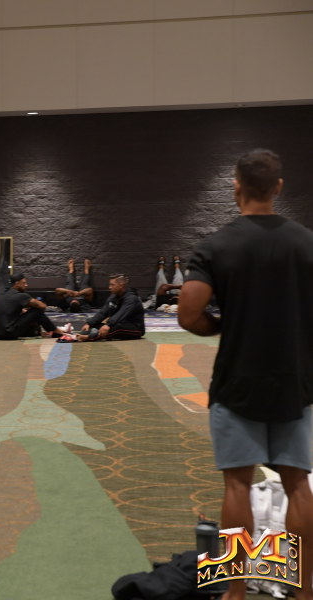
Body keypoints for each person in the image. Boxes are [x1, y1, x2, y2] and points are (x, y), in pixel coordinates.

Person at [178, 149, 313, 600]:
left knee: (237, 485)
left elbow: (188, 314)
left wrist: (224, 325)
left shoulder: (215, 246)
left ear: (235, 187)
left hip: (237, 382)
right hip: (296, 383)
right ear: (279, 187)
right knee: (298, 484)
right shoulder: (307, 242)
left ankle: (235, 592)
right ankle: (304, 590)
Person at [0, 273, 71, 340]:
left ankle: (38, 332)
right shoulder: (21, 296)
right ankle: (56, 331)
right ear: (17, 283)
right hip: (8, 334)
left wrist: (22, 311)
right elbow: (42, 306)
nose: (26, 285)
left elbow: (7, 311)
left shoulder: (0, 295)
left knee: (27, 316)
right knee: (37, 311)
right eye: (24, 283)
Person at [71, 274, 144, 342]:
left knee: (117, 328)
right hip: (117, 323)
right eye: (110, 284)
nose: (110, 287)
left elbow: (120, 315)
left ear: (121, 285)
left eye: (112, 285)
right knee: (94, 324)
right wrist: (89, 323)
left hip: (135, 328)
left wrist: (108, 325)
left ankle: (90, 337)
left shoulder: (132, 299)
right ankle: (81, 334)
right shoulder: (113, 297)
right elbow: (103, 313)